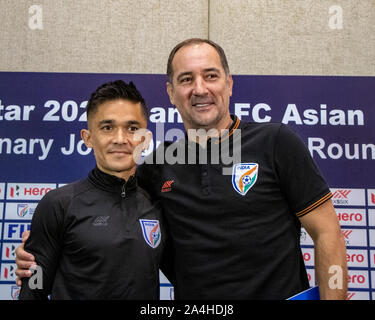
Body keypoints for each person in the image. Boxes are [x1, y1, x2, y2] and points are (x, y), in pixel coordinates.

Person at [16, 38, 347, 300]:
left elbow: (327, 232)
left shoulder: (276, 141)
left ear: (229, 84)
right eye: (186, 79)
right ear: (171, 93)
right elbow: (109, 208)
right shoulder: (157, 166)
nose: (200, 88)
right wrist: (41, 248)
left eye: (211, 76)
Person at [17, 80, 165, 299]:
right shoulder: (58, 204)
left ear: (145, 139)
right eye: (107, 128)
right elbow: (33, 288)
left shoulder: (159, 203)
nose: (120, 139)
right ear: (88, 138)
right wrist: (30, 271)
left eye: (132, 128)